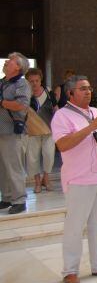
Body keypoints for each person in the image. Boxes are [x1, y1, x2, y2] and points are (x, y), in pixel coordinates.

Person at [51, 75, 97, 283]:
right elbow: (63, 144)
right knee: (75, 226)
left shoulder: (95, 112)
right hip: (79, 180)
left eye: (89, 88)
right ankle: (70, 270)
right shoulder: (62, 116)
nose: (88, 91)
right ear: (70, 93)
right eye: (82, 88)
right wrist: (90, 127)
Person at [0, 53, 31, 214]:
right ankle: (6, 197)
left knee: (14, 167)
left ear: (18, 66)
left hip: (12, 131)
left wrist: (1, 103)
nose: (6, 61)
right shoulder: (2, 83)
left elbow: (21, 105)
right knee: (3, 167)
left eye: (10, 60)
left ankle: (19, 200)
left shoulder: (22, 83)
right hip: (1, 131)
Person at [24, 68, 56, 193]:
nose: (34, 83)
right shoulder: (25, 94)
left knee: (49, 155)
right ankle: (37, 182)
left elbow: (56, 108)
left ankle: (46, 179)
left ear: (40, 79)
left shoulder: (48, 92)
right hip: (31, 131)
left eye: (36, 80)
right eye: (31, 81)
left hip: (49, 130)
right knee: (32, 157)